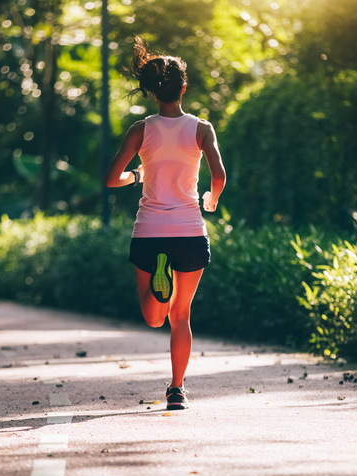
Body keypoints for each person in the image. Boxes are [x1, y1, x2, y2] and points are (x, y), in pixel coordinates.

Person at [103, 36, 226, 410]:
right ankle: (176, 390)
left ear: (154, 93)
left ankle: (160, 288)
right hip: (189, 230)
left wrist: (137, 178)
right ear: (183, 89)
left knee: (154, 317)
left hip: (150, 230)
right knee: (181, 316)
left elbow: (111, 178)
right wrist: (211, 199)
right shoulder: (201, 128)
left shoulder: (141, 129)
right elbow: (219, 175)